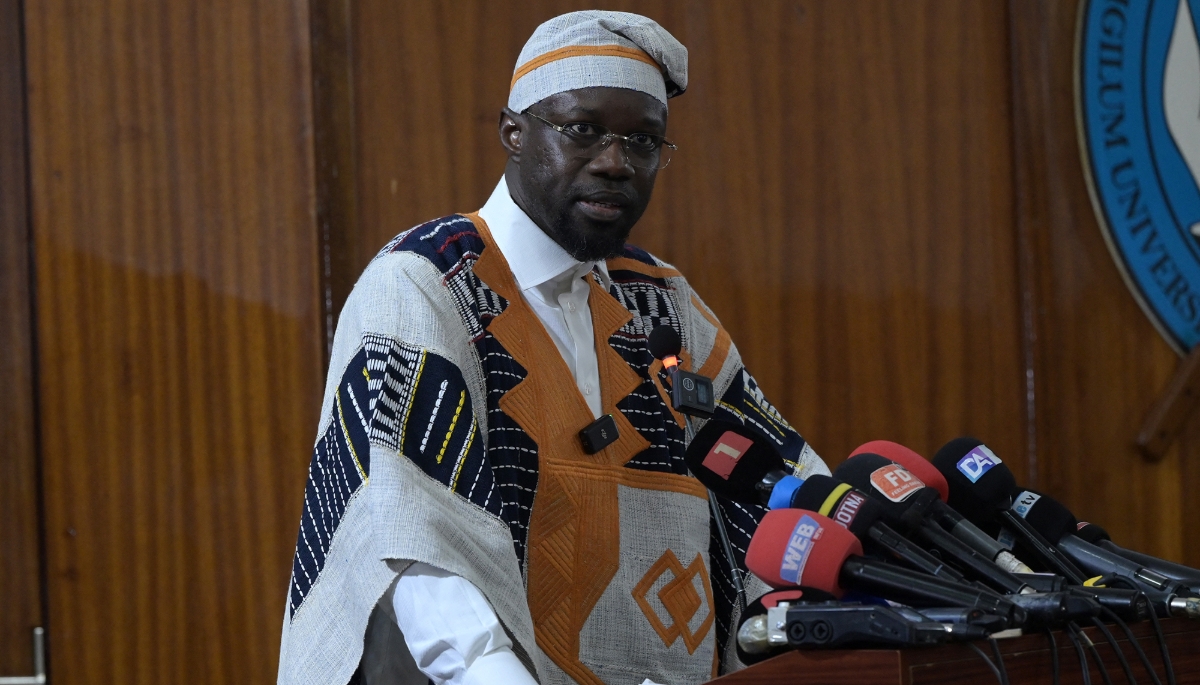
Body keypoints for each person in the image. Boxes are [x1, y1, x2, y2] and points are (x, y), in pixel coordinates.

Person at [277, 10, 828, 685]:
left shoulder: (661, 303)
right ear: (514, 131)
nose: (616, 162)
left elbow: (781, 485)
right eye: (584, 129)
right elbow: (413, 542)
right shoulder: (425, 284)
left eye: (644, 141)